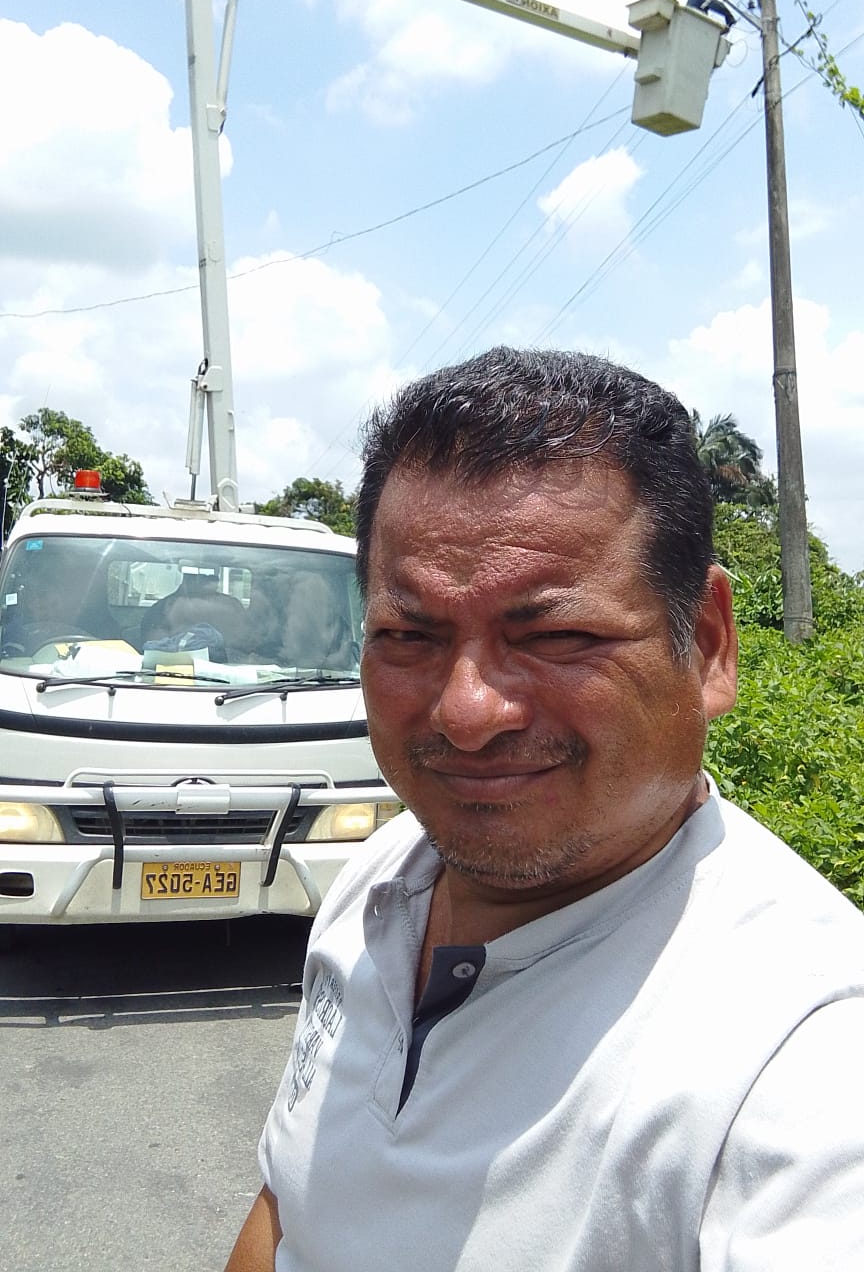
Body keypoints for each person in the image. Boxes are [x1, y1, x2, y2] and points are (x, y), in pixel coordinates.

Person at [225, 348, 864, 1272]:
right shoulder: (378, 883)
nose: (466, 712)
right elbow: (292, 1201)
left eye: (557, 635)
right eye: (408, 634)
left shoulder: (802, 1054)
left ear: (708, 644)